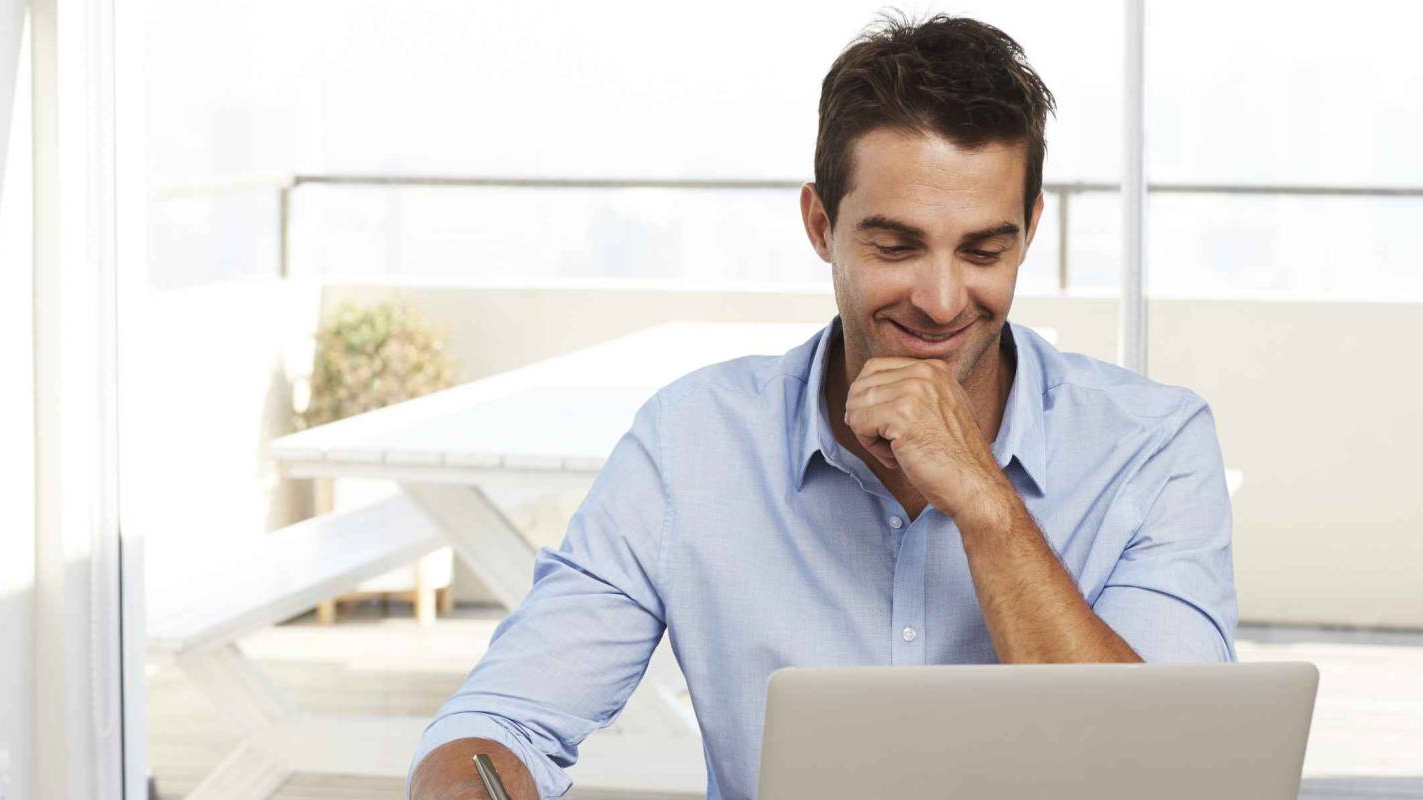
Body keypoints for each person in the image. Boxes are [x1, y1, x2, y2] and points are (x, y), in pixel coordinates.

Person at [408, 13, 1237, 800]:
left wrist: (986, 505)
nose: (942, 301)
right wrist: (471, 777)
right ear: (820, 225)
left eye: (984, 250)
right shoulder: (691, 443)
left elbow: (1172, 778)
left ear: (1030, 231)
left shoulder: (1156, 448)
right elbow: (503, 721)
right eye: (895, 246)